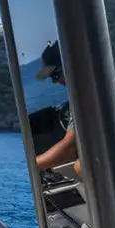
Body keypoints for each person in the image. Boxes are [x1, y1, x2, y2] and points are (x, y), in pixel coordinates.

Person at [34, 42, 80, 176]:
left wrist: (30, 165)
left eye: (55, 75)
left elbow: (69, 149)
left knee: (81, 166)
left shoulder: (85, 97)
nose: (54, 81)